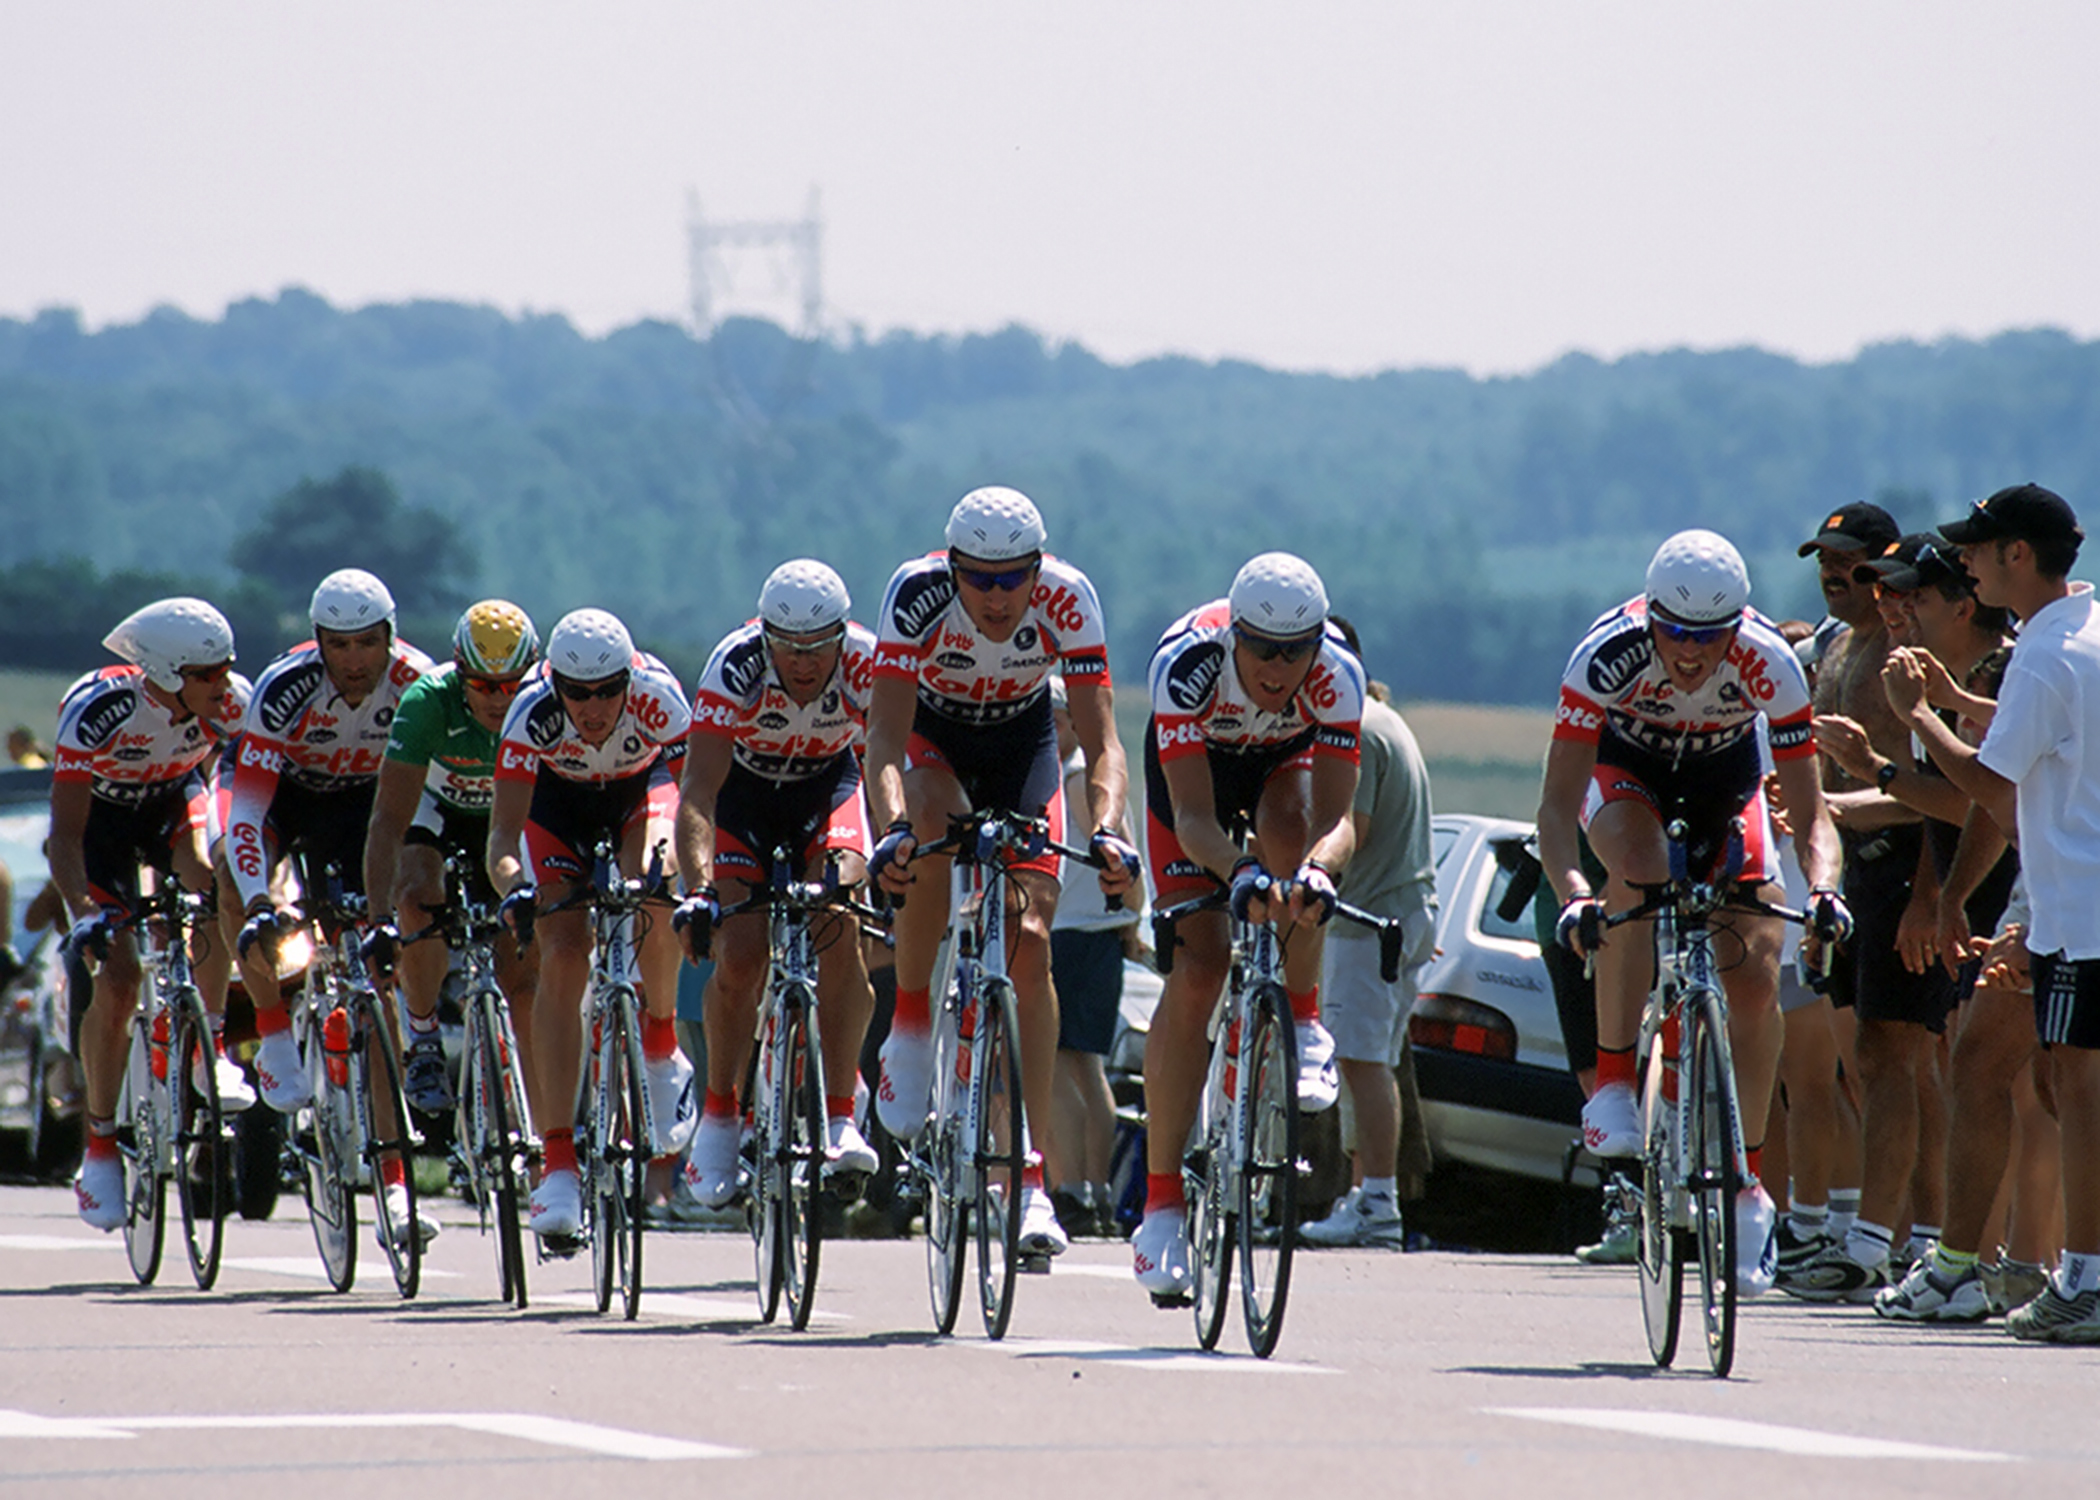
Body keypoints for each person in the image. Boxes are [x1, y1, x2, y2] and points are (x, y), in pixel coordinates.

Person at [1539, 529, 1845, 1298]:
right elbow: (1551, 809)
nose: (1689, 651)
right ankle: (1614, 1078)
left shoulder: (1769, 662)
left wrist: (1826, 891)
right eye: (1674, 631)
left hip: (1724, 780)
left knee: (1759, 949)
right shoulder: (1605, 656)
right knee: (1637, 874)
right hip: (1626, 771)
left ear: (1736, 627)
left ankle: (1745, 1182)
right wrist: (1576, 893)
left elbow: (1811, 817)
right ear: (1650, 619)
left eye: (1709, 636)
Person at [864, 486, 1138, 1264]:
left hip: (1022, 745)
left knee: (1031, 935)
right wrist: (887, 831)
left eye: (1012, 576)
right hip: (933, 743)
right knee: (928, 832)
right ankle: (912, 1027)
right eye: (978, 577)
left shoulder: (1068, 598)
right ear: (952, 568)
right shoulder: (916, 596)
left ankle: (1030, 1178)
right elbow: (884, 735)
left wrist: (1111, 827)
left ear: (1036, 568)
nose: (995, 594)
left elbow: (1102, 740)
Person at [1882, 483, 2100, 1341]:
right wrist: (1963, 704)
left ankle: (2083, 1278)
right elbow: (2042, 735)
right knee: (2058, 1084)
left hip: (2082, 909)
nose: (1965, 560)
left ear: (2018, 555)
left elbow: (1989, 786)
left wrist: (1919, 718)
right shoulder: (2078, 632)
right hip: (2066, 909)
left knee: (2077, 1091)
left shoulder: (2044, 656)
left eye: (1978, 547)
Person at [1129, 552, 1362, 1298]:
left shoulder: (1336, 675)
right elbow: (1193, 817)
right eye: (1263, 649)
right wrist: (1240, 875)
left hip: (1279, 768)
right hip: (1196, 778)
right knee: (1198, 970)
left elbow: (1339, 819)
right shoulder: (1189, 665)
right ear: (1236, 636)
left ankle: (1302, 1017)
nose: (1279, 665)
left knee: (1295, 833)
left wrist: (1318, 870)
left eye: (1296, 651)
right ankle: (1161, 1205)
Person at [669, 560, 882, 1213]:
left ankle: (842, 1109)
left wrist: (886, 855)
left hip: (827, 792)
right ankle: (722, 1114)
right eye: (788, 648)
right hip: (743, 801)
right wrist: (700, 888)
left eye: (820, 647)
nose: (805, 662)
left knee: (839, 923)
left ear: (841, 637)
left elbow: (887, 762)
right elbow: (698, 792)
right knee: (739, 957)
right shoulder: (734, 667)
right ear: (765, 637)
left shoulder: (867, 662)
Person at [486, 607, 695, 1244]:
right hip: (558, 810)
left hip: (641, 795)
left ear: (630, 678)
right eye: (579, 693)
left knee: (657, 881)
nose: (595, 706)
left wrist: (693, 877)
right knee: (564, 949)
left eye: (609, 691)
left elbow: (700, 807)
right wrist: (516, 890)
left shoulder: (662, 701)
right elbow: (500, 837)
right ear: (555, 684)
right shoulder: (531, 715)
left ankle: (658, 1044)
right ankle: (557, 1165)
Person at [1791, 515, 1958, 1301]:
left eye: (1855, 568)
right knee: (1871, 1057)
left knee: (1908, 1061)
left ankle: (1907, 1240)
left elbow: (1942, 796)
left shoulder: (1910, 661)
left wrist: (1932, 893)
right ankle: (1899, 1236)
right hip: (1854, 870)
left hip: (1905, 871)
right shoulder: (1837, 644)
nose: (1838, 578)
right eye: (1826, 563)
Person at [50, 599, 254, 1229]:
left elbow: (229, 800)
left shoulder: (230, 708)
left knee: (220, 885)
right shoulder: (96, 714)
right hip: (101, 831)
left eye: (226, 670)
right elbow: (65, 838)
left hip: (169, 802)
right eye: (208, 675)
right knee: (119, 980)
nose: (223, 686)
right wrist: (84, 911)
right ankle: (102, 1147)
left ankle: (209, 1048)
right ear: (168, 675)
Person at [221, 569, 432, 1117]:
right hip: (284, 794)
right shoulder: (285, 686)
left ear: (391, 635)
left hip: (363, 800)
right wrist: (259, 904)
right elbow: (247, 809)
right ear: (318, 642)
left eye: (368, 643)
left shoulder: (418, 681)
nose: (355, 660)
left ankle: (391, 1167)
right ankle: (272, 1034)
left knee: (377, 959)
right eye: (338, 645)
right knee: (229, 868)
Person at [363, 600, 544, 1118]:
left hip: (510, 819)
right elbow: (387, 822)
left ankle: (540, 1121)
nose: (500, 697)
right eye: (485, 685)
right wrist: (380, 921)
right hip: (438, 810)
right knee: (417, 894)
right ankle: (421, 1039)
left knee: (524, 982)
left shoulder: (546, 700)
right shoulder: (427, 701)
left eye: (513, 682)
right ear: (460, 672)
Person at [1298, 618, 1436, 1251]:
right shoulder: (1388, 719)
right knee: (1367, 1060)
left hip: (1369, 915)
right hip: (1398, 911)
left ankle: (1378, 1199)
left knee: (1361, 1062)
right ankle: (1367, 1192)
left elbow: (1354, 828)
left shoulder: (1361, 732)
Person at [1043, 671, 1138, 1240]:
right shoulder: (1101, 783)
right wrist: (1131, 919)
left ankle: (1073, 1187)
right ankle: (1096, 1190)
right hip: (1099, 931)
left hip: (1070, 932)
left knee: (1057, 1062)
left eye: (1058, 723)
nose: (1051, 734)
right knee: (1088, 1065)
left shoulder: (1075, 779)